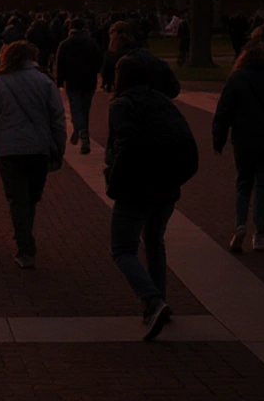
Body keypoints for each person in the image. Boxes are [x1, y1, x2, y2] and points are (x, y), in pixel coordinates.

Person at [105, 54, 199, 340]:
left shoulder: (122, 105)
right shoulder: (162, 101)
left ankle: (152, 300)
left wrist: (114, 183)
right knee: (155, 243)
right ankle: (158, 300)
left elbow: (127, 144)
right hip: (167, 185)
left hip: (136, 186)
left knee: (123, 249)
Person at [0, 41, 67, 270]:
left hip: (9, 149)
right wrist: (59, 146)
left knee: (18, 199)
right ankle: (25, 239)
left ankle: (25, 244)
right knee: (31, 196)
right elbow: (57, 117)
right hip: (38, 147)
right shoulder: (44, 81)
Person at [212, 41, 264, 253]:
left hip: (243, 141)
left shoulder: (236, 79)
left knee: (243, 184)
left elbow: (223, 112)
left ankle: (240, 224)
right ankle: (260, 234)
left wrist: (219, 139)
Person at [54, 17, 104, 155]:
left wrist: (59, 80)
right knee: (84, 109)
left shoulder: (65, 44)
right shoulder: (91, 43)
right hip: (89, 80)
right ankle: (82, 132)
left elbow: (60, 64)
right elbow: (100, 59)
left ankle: (81, 132)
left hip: (72, 81)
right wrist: (94, 71)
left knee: (76, 108)